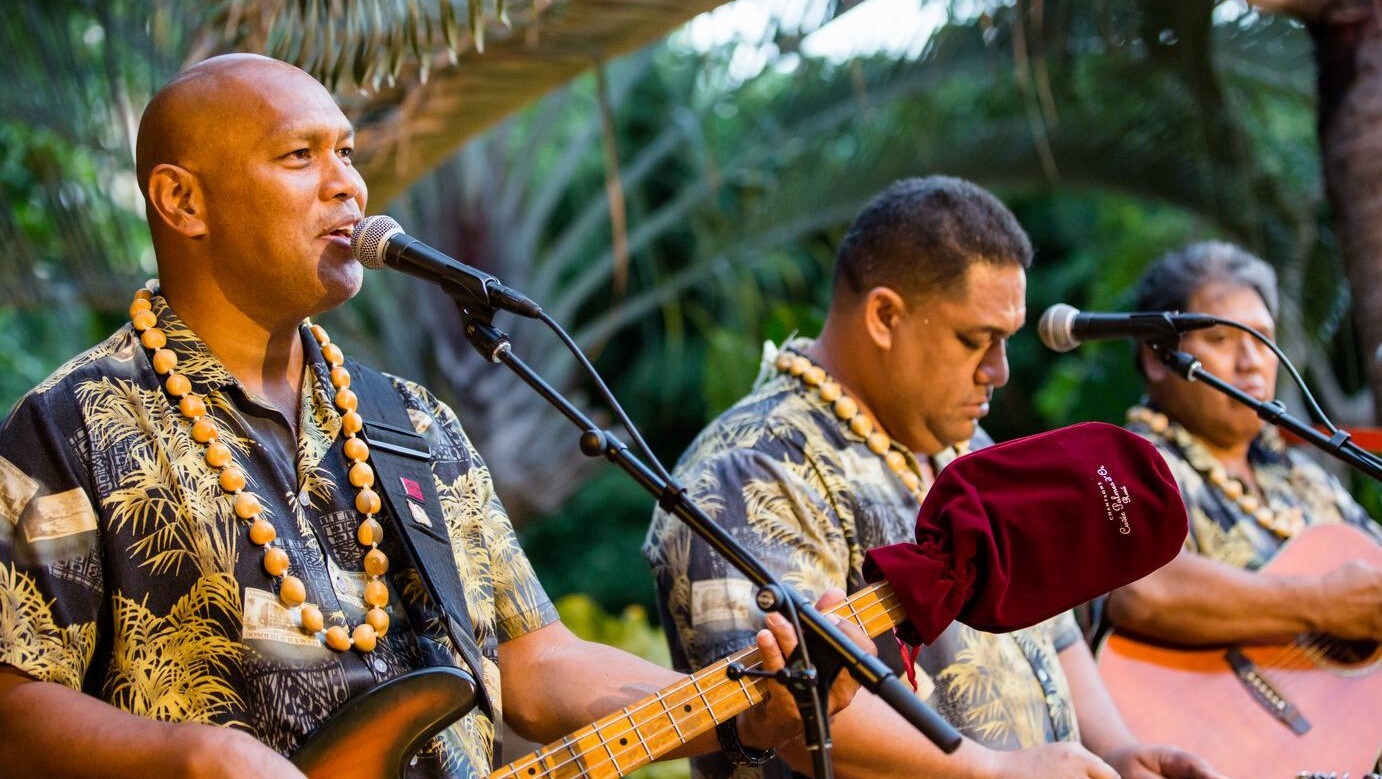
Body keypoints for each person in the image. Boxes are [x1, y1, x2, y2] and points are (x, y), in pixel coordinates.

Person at [0, 54, 869, 778]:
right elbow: (11, 702)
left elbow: (536, 662)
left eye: (347, 151)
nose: (347, 184)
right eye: (299, 156)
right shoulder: (71, 428)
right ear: (182, 200)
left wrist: (744, 707)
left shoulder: (413, 423)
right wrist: (189, 758)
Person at [643, 176, 1223, 779]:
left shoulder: (966, 446)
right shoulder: (746, 467)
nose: (999, 371)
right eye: (978, 340)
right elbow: (782, 707)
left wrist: (1120, 752)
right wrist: (992, 771)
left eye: (1007, 341)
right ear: (886, 316)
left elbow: (1054, 635)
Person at [1107, 241, 1382, 646]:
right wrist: (1321, 603)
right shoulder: (1125, 466)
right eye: (1221, 339)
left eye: (1263, 339)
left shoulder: (1304, 476)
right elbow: (1137, 586)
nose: (1251, 360)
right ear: (1156, 357)